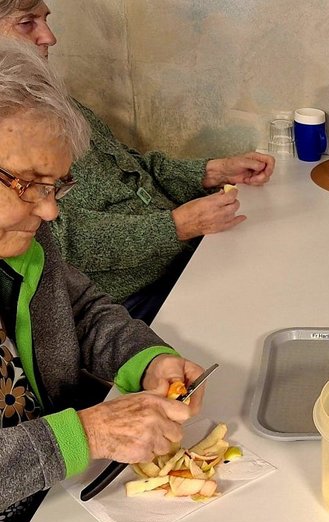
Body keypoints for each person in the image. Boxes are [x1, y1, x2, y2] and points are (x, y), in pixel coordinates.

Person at [0, 38, 208, 522]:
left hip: (55, 501)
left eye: (56, 186)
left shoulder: (23, 234)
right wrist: (89, 432)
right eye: (29, 184)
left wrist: (145, 359)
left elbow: (78, 309)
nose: (50, 211)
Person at [0, 0, 276, 324]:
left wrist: (210, 171)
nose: (49, 37)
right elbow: (57, 239)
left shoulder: (49, 102)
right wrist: (175, 226)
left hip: (180, 259)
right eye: (27, 23)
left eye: (45, 20)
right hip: (130, 300)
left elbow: (131, 168)